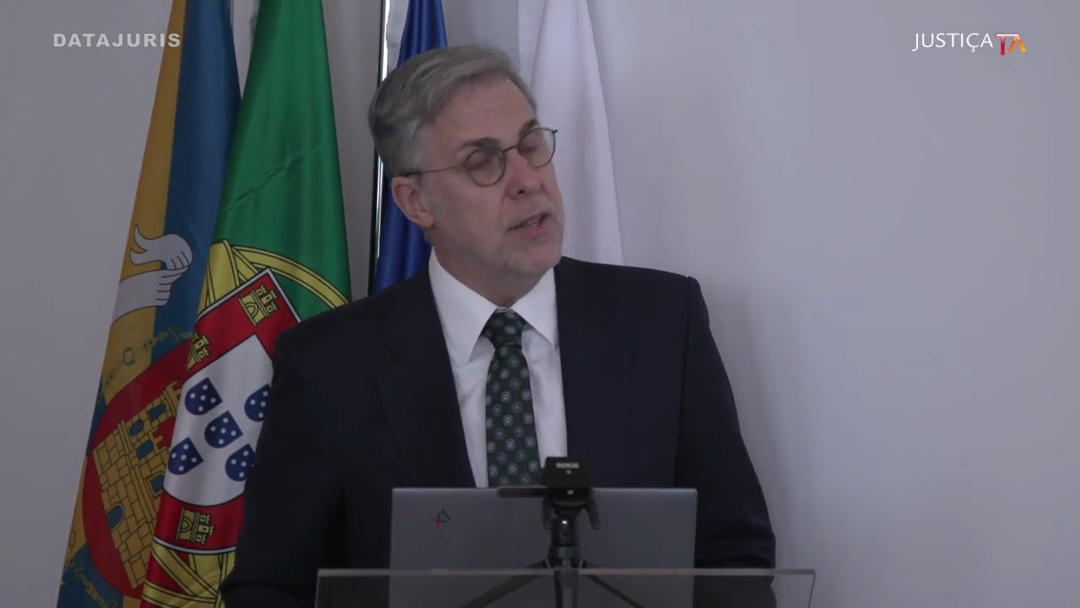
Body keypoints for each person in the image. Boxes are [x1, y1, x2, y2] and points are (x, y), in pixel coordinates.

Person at [219, 43, 775, 607]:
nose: (528, 180)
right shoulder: (329, 365)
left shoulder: (662, 322)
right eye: (483, 162)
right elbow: (270, 589)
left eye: (530, 145)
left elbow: (733, 557)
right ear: (415, 202)